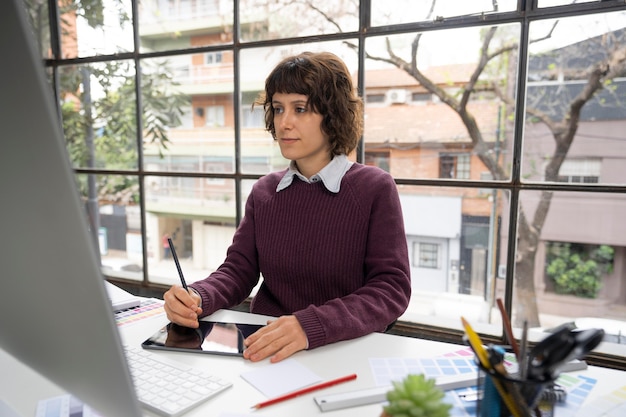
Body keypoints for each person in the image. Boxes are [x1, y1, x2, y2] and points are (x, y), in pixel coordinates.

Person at [163, 51, 411, 364]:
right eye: (278, 108)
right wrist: (197, 297)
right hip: (265, 349)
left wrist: (309, 326)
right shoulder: (264, 192)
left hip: (343, 353)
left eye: (300, 108)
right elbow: (238, 270)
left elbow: (391, 290)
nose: (284, 122)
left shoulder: (374, 188)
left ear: (332, 115)